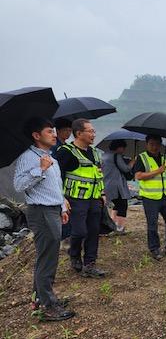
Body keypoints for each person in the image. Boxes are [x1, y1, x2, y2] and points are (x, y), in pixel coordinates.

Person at [13, 117, 75, 321]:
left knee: (48, 256)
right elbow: (19, 186)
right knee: (47, 258)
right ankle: (47, 306)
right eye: (50, 131)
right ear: (36, 135)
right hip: (40, 212)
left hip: (52, 210)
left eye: (54, 131)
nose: (55, 134)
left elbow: (53, 187)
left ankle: (41, 299)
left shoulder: (50, 157)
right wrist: (40, 169)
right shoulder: (29, 158)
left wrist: (62, 205)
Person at [56, 118, 107, 278]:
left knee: (93, 231)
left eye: (94, 131)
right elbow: (57, 177)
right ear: (79, 133)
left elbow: (98, 175)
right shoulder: (66, 152)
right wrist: (61, 199)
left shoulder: (95, 152)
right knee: (79, 232)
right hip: (75, 199)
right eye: (90, 131)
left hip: (94, 199)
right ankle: (74, 255)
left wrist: (102, 194)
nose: (94, 134)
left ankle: (90, 264)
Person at [133, 135, 166, 260]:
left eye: (157, 144)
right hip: (150, 197)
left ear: (161, 145)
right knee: (152, 224)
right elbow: (138, 176)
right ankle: (154, 248)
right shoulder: (141, 158)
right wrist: (157, 171)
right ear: (147, 144)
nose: (154, 147)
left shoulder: (164, 157)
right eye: (151, 144)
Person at [102, 139, 134, 233]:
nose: (124, 150)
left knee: (117, 204)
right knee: (123, 205)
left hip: (106, 183)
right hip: (116, 185)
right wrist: (132, 162)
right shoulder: (116, 156)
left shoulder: (104, 155)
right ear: (119, 147)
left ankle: (111, 226)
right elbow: (126, 169)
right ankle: (119, 228)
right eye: (123, 148)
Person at [52, 118, 73, 241]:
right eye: (65, 130)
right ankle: (64, 236)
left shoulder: (66, 146)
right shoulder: (55, 147)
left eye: (70, 130)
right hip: (60, 181)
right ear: (58, 131)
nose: (68, 133)